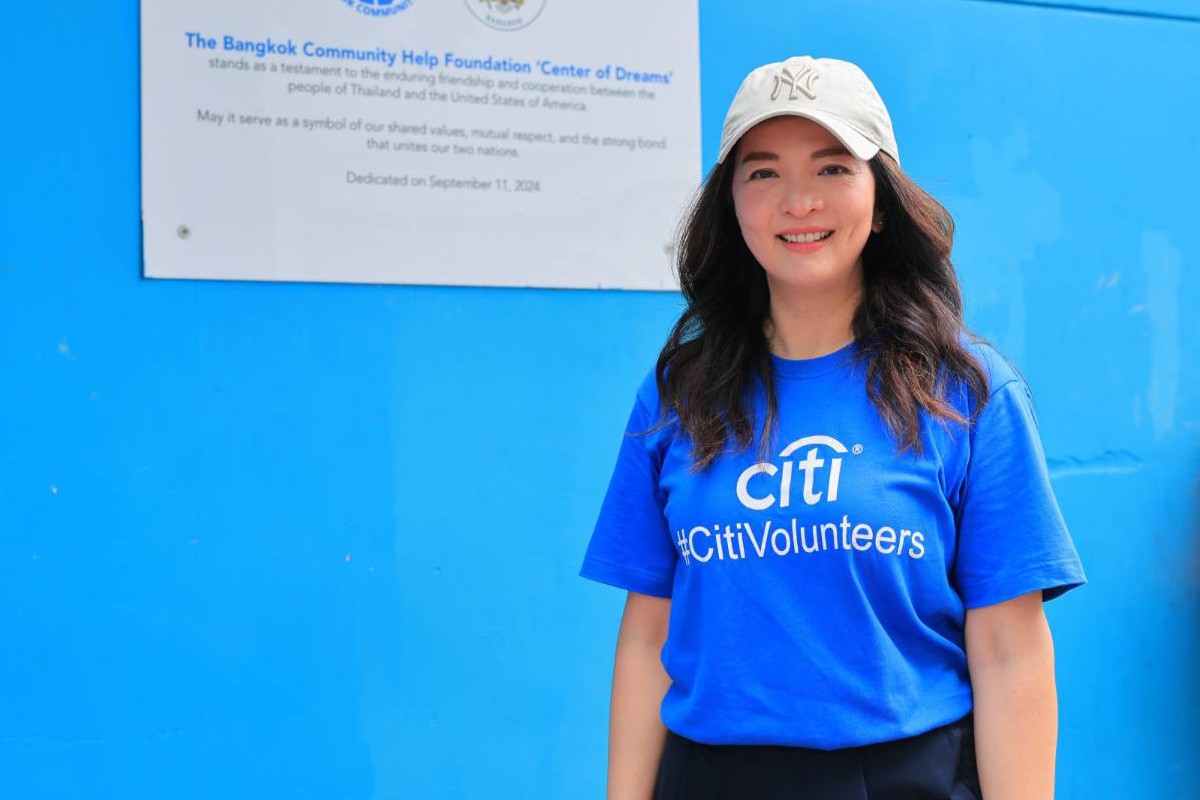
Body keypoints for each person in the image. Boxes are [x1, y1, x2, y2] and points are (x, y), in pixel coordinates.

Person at [579, 55, 1085, 800]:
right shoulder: (678, 392)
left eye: (831, 169)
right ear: (731, 205)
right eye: (763, 173)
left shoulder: (965, 391)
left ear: (880, 200)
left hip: (902, 777)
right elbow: (650, 633)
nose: (798, 202)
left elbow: (1010, 650)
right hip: (709, 775)